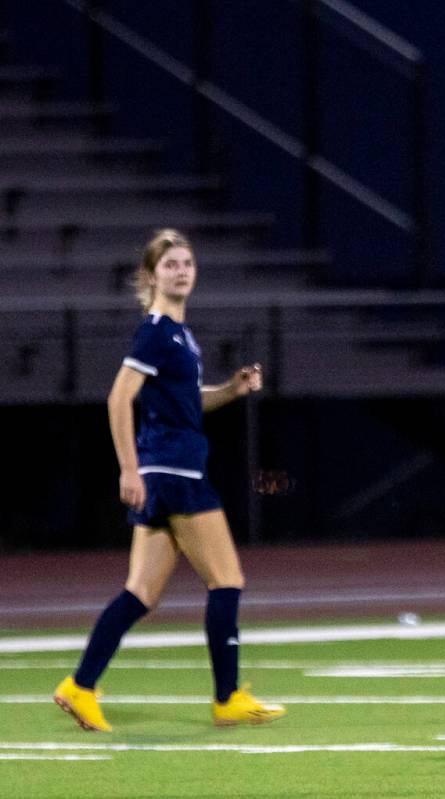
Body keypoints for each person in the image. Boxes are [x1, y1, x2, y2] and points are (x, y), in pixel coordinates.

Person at [53, 228, 285, 731]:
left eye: (187, 263)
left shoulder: (180, 335)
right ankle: (228, 699)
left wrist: (232, 388)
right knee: (227, 580)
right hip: (175, 472)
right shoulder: (156, 331)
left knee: (140, 593)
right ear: (151, 275)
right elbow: (119, 398)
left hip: (167, 470)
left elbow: (187, 401)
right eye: (170, 264)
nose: (181, 270)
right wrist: (128, 468)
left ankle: (80, 686)